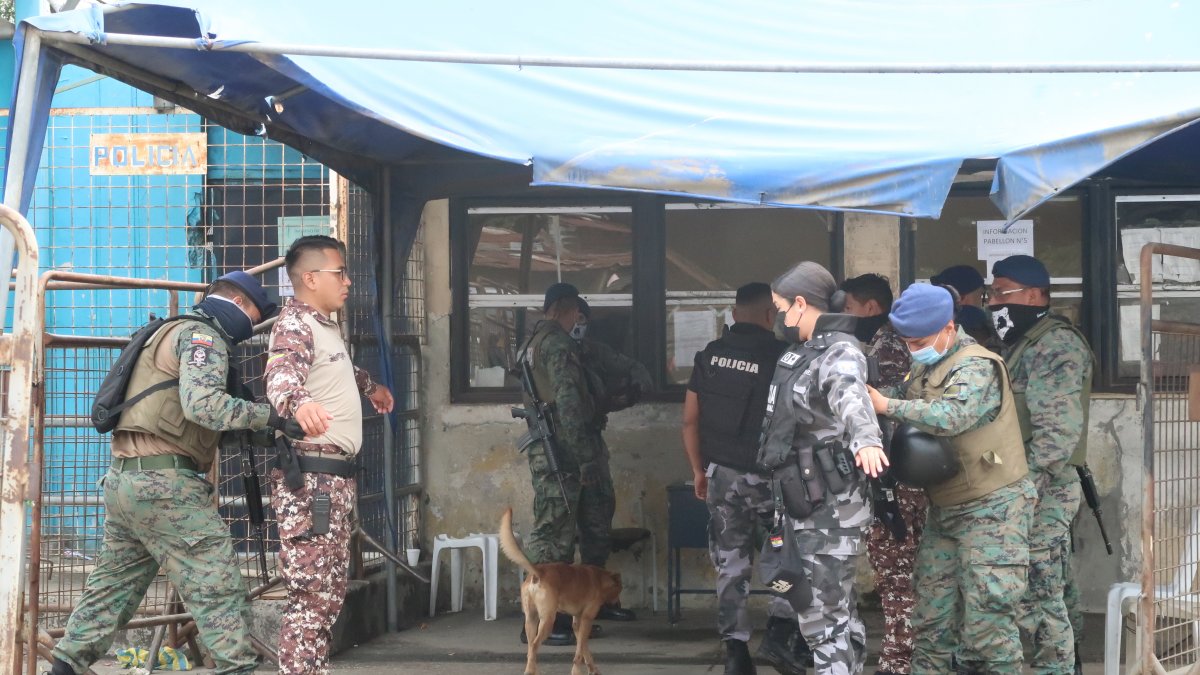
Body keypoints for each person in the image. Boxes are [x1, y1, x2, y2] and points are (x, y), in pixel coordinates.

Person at [50, 271, 290, 675]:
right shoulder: (202, 337)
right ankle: (238, 668)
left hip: (126, 481)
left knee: (111, 590)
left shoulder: (164, 332)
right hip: (166, 487)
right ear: (238, 303)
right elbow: (204, 407)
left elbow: (181, 416)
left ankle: (66, 666)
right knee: (219, 588)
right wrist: (272, 416)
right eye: (254, 315)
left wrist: (267, 432)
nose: (252, 325)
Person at [867, 283, 1036, 675]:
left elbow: (952, 416)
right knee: (931, 618)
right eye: (907, 342)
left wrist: (887, 405)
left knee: (989, 623)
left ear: (947, 327)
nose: (913, 349)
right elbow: (902, 391)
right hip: (946, 506)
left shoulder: (976, 365)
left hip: (992, 509)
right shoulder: (929, 364)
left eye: (919, 342)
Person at [264, 236, 394, 675]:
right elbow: (281, 375)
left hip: (332, 479)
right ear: (310, 278)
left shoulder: (324, 326)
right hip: (313, 481)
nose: (348, 281)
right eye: (339, 273)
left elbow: (335, 367)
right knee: (311, 596)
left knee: (328, 593)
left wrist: (370, 386)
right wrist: (299, 403)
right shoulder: (294, 325)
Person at [757, 261, 887, 675]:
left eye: (780, 308)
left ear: (800, 303)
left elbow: (850, 395)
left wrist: (866, 439)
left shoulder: (839, 350)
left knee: (822, 618)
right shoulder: (808, 350)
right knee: (832, 614)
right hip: (807, 504)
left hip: (829, 511)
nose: (778, 317)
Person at [682, 282, 806, 675]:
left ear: (734, 314)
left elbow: (690, 421)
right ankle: (780, 631)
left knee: (730, 563)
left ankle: (735, 651)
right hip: (772, 480)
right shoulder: (785, 356)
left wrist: (698, 471)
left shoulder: (709, 355)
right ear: (771, 315)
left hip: (722, 477)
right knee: (784, 557)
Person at [988, 255, 1094, 675]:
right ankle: (1069, 659)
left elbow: (1056, 435)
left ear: (1033, 296)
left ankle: (1057, 666)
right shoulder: (1025, 343)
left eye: (1001, 293)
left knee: (1037, 586)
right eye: (991, 293)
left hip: (1042, 486)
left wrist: (1022, 488)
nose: (993, 302)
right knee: (1052, 581)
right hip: (1030, 483)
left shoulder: (1055, 345)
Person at [514, 282, 625, 645]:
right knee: (553, 537)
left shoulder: (531, 343)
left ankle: (567, 614)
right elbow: (568, 405)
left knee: (564, 527)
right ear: (570, 309)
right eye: (577, 311)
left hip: (550, 448)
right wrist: (585, 456)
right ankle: (545, 623)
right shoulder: (558, 344)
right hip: (562, 452)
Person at [840, 274, 922, 675]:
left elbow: (882, 415)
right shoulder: (883, 342)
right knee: (897, 570)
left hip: (894, 477)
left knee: (896, 571)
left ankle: (898, 661)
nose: (845, 315)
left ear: (870, 308)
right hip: (897, 473)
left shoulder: (887, 346)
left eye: (849, 307)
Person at [572, 297, 650, 622]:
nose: (577, 325)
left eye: (582, 319)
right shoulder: (551, 353)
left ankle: (597, 600)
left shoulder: (593, 352)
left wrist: (631, 390)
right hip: (562, 453)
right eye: (574, 317)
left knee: (599, 524)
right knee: (558, 534)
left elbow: (633, 370)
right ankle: (562, 608)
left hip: (592, 446)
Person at [931, 264, 992, 344]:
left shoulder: (935, 321)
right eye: (982, 295)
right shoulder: (974, 318)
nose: (986, 301)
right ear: (960, 297)